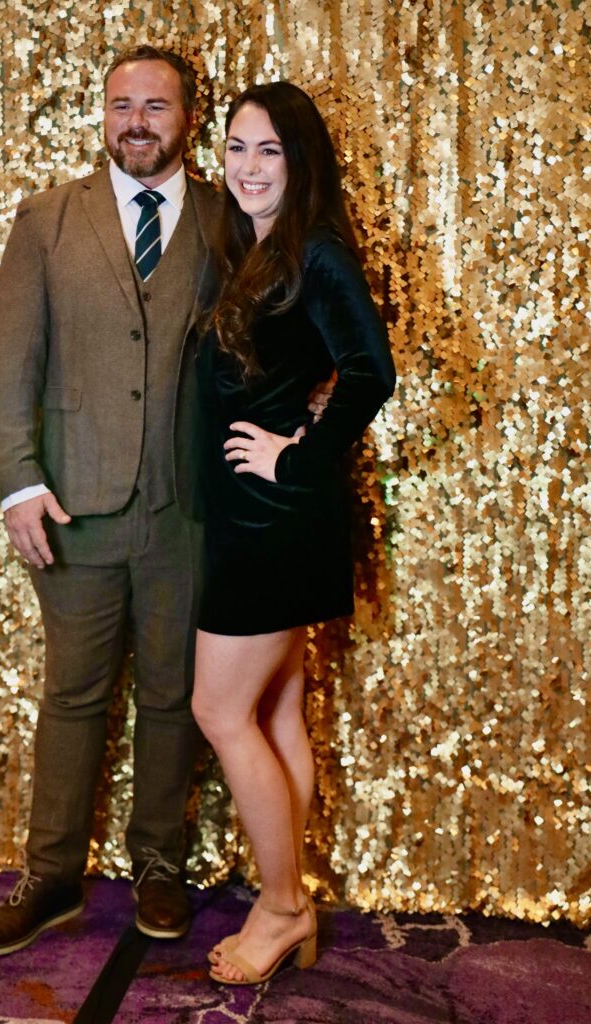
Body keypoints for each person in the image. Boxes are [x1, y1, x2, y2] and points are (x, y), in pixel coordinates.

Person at [0, 46, 221, 957]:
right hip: (72, 503)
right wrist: (19, 483)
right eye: (121, 104)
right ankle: (50, 877)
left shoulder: (228, 218)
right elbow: (11, 364)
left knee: (172, 694)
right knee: (71, 695)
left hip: (189, 510)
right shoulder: (46, 218)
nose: (135, 122)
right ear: (104, 114)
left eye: (155, 105)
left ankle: (158, 864)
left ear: (188, 118)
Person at [191, 82, 396, 985]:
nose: (247, 167)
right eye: (236, 147)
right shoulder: (260, 247)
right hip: (254, 520)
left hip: (269, 522)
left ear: (300, 160)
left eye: (268, 149)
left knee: (218, 710)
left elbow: (370, 371)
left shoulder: (315, 250)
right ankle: (288, 900)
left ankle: (280, 907)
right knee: (272, 712)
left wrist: (297, 456)